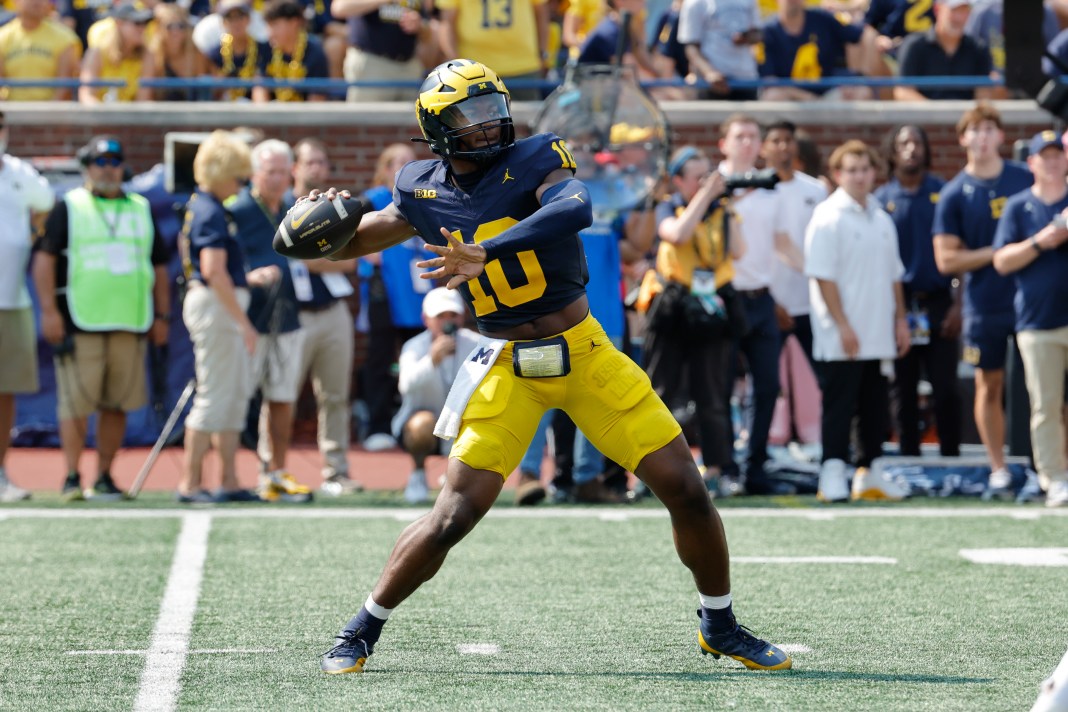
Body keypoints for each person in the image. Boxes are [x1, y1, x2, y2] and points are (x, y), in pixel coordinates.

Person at [311, 58, 791, 675]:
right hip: (505, 364)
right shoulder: (420, 188)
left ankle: (719, 624)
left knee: (685, 488)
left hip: (584, 351)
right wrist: (319, 222)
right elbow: (351, 243)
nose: (489, 124)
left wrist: (488, 249)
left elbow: (573, 210)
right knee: (452, 516)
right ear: (437, 125)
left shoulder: (538, 157)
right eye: (471, 114)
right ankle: (361, 629)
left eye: (494, 109)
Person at [32, 135, 169, 501]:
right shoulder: (69, 206)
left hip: (131, 320)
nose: (107, 169)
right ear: (87, 167)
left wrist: (162, 316)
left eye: (114, 162)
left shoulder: (141, 207)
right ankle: (73, 476)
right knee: (76, 403)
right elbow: (44, 261)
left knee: (118, 403)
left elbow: (157, 266)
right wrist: (48, 311)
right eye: (99, 162)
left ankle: (105, 475)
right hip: (82, 320)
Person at [933, 103, 1033, 498]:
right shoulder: (955, 192)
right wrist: (1001, 252)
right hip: (984, 302)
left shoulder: (1025, 177)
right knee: (987, 385)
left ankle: (1051, 467)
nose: (982, 137)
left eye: (989, 128)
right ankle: (998, 468)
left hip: (1032, 299)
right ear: (963, 139)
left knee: (1049, 387)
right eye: (974, 130)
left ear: (1001, 136)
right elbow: (946, 259)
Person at [805, 139, 911, 503]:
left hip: (879, 331)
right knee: (839, 405)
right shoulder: (827, 216)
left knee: (874, 405)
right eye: (851, 170)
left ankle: (871, 472)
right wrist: (843, 325)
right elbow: (822, 276)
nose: (859, 176)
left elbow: (894, 275)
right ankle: (832, 470)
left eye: (865, 169)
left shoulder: (882, 218)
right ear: (837, 175)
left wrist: (900, 321)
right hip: (841, 335)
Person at [641, 145, 744, 494]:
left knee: (712, 394)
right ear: (678, 181)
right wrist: (703, 198)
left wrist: (726, 205)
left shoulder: (722, 210)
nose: (705, 184)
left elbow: (740, 250)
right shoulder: (670, 206)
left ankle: (717, 469)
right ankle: (654, 472)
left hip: (711, 308)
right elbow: (677, 234)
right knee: (660, 392)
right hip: (672, 306)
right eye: (696, 178)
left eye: (708, 177)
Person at [178, 130, 270, 504]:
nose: (242, 181)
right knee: (214, 396)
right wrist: (244, 322)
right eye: (237, 173)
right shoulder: (209, 210)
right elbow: (212, 271)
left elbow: (219, 272)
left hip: (221, 304)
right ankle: (190, 482)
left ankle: (229, 479)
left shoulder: (209, 207)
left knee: (231, 396)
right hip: (217, 309)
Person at [230, 138, 313, 503]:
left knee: (282, 399)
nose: (277, 178)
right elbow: (220, 264)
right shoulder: (237, 209)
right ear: (254, 173)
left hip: (287, 317)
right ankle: (227, 476)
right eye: (270, 171)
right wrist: (248, 277)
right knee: (234, 399)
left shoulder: (295, 209)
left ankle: (275, 472)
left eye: (283, 171)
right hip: (247, 319)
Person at [875, 124, 962, 459]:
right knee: (903, 388)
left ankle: (951, 456)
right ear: (893, 152)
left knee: (946, 389)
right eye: (903, 143)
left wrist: (959, 303)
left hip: (940, 301)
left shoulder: (943, 193)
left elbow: (960, 251)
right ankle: (909, 456)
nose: (911, 149)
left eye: (917, 142)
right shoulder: (881, 199)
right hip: (899, 307)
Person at [992, 130, 1068, 508]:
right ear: (1032, 162)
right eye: (1045, 156)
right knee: (1046, 405)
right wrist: (1046, 238)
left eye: (1058, 155)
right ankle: (1054, 477)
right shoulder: (1018, 206)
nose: (1053, 162)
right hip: (1037, 322)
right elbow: (1001, 261)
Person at [287, 137, 364, 496]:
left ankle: (336, 471)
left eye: (322, 162)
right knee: (281, 396)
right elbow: (286, 256)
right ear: (295, 168)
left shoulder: (332, 208)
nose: (316, 169)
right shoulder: (283, 208)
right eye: (309, 162)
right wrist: (318, 255)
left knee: (335, 395)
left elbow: (350, 260)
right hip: (293, 314)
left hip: (332, 311)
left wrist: (308, 255)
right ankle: (272, 470)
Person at [0, 114, 55, 502]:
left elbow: (46, 201)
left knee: (6, 393)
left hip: (12, 301)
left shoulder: (18, 170)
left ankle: (0, 473)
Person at [392, 287, 481, 503]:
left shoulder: (476, 343)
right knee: (421, 424)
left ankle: (457, 478)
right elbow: (406, 386)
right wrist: (431, 360)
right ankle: (418, 475)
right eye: (440, 316)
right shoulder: (414, 346)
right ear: (426, 319)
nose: (447, 321)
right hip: (425, 422)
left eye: (453, 315)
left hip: (462, 420)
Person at [435, 0, 550, 101]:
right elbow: (447, 22)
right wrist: (456, 65)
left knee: (524, 121)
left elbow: (542, 14)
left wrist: (543, 53)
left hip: (524, 66)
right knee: (478, 122)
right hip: (474, 70)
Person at [895, 0, 1003, 102]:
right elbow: (903, 92)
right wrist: (936, 115)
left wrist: (967, 118)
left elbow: (982, 95)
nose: (959, 18)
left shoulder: (978, 49)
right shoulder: (914, 45)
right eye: (953, 10)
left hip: (966, 120)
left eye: (964, 10)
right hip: (921, 121)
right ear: (937, 9)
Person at [331, 0, 433, 102]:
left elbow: (427, 33)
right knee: (367, 117)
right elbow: (339, 8)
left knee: (412, 117)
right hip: (372, 65)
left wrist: (419, 25)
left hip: (409, 66)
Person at [678, 0, 761, 101]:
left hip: (745, 79)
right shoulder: (695, 3)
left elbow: (758, 34)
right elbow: (690, 47)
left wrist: (746, 37)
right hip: (710, 85)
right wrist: (709, 73)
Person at [0, 0, 81, 102]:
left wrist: (46, 114)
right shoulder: (2, 37)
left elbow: (64, 88)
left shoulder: (66, 39)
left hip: (52, 114)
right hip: (12, 113)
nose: (37, 2)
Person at [78, 0, 156, 104]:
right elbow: (87, 96)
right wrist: (104, 118)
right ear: (119, 23)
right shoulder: (97, 53)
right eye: (137, 23)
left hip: (132, 118)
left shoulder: (147, 55)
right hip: (98, 117)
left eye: (145, 23)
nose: (143, 28)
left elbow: (142, 100)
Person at [253, 0, 330, 103]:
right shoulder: (265, 50)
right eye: (268, 25)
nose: (269, 32)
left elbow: (317, 100)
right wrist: (265, 115)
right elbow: (259, 90)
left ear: (294, 23)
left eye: (274, 24)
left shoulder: (315, 52)